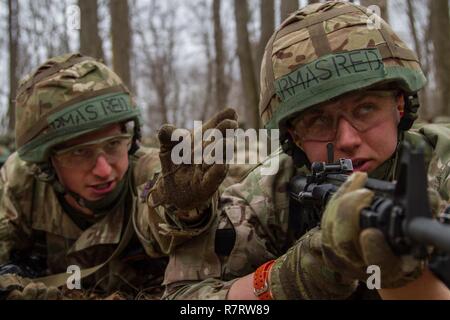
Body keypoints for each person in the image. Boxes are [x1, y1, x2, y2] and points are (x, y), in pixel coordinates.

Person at [162, 1, 450, 300]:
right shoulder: (271, 190)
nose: (348, 139)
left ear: (399, 106)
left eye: (365, 109)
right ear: (295, 137)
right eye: (318, 121)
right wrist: (297, 275)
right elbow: (186, 299)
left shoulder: (442, 167)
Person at [0, 53, 238, 299]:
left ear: (131, 139)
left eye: (113, 143)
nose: (103, 169)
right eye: (80, 152)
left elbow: (154, 206)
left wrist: (183, 210)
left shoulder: (151, 170)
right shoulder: (20, 185)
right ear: (45, 163)